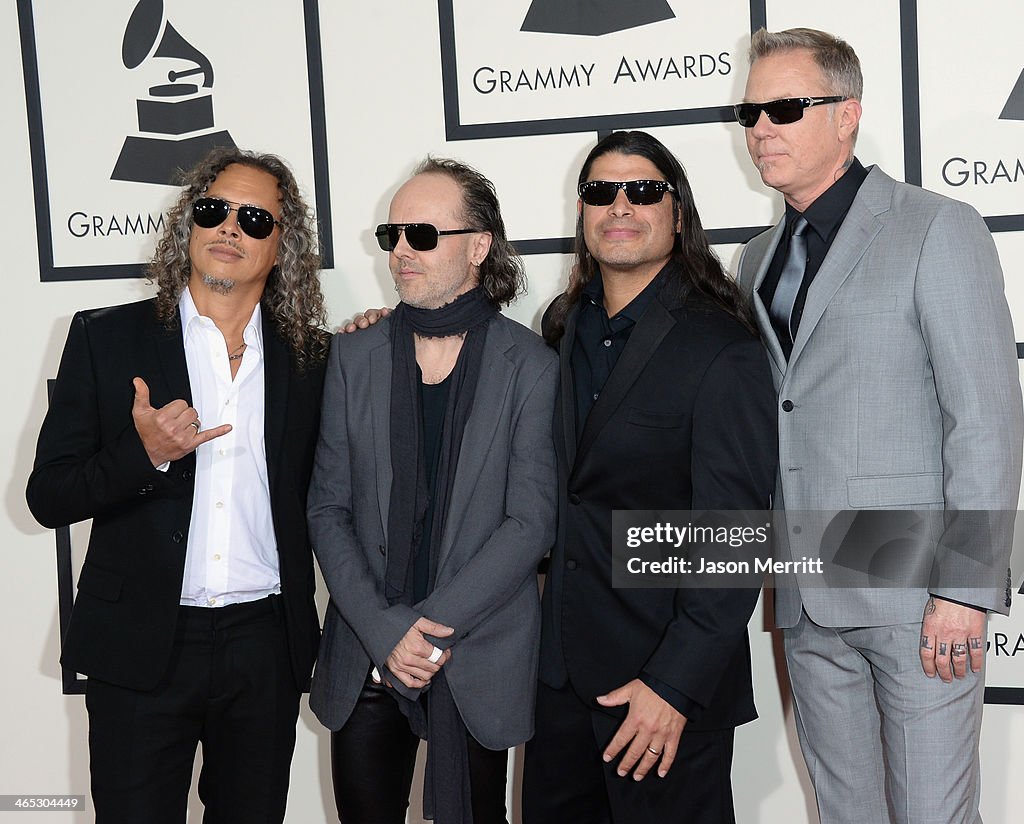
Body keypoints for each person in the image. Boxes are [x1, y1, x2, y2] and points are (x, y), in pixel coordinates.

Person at [735, 28, 1023, 824]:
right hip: (804, 599)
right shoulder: (756, 261)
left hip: (918, 598)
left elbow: (987, 420)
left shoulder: (936, 227)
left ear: (847, 115)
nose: (762, 128)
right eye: (751, 111)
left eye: (786, 107)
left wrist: (964, 589)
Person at [26, 148, 329, 824]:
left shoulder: (314, 360)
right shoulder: (106, 339)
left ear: (282, 247)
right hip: (140, 646)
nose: (229, 229)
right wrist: (143, 455)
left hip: (264, 649)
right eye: (213, 210)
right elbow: (49, 497)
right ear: (188, 226)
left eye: (255, 219)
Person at [522, 130, 777, 824]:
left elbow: (733, 539)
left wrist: (672, 686)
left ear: (678, 212)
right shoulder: (563, 326)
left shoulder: (720, 344)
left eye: (643, 191)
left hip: (662, 692)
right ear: (582, 213)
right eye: (601, 192)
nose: (620, 206)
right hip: (561, 684)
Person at [307, 157, 557, 824]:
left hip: (476, 651)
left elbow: (530, 523)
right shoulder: (353, 357)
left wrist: (429, 630)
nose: (401, 253)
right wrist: (388, 630)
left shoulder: (530, 366)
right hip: (365, 647)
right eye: (393, 235)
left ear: (479, 246)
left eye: (423, 234)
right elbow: (327, 508)